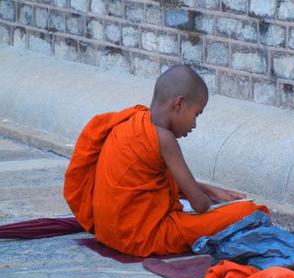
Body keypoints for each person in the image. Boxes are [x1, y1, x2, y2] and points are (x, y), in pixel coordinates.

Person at [64, 65, 268, 257]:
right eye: (196, 114)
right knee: (249, 212)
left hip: (107, 232)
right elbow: (200, 205)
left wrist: (210, 189)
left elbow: (151, 184)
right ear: (179, 104)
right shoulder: (164, 139)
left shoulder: (131, 121)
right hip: (140, 238)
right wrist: (215, 202)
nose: (195, 124)